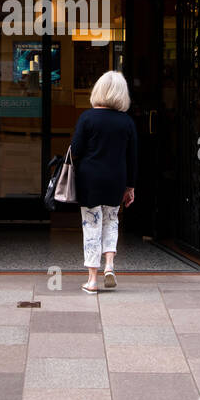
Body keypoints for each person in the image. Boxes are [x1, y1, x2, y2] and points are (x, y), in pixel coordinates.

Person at [70, 70, 137, 293]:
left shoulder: (87, 118)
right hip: (116, 179)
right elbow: (132, 157)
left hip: (90, 178)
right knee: (111, 220)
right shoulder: (126, 122)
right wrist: (130, 186)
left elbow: (76, 150)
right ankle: (109, 264)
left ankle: (91, 280)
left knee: (91, 225)